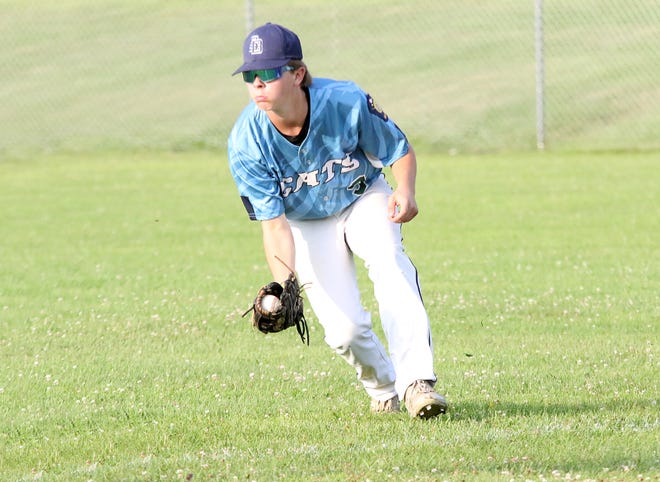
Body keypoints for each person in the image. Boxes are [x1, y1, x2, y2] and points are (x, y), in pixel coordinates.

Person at [227, 22, 447, 419]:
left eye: (268, 73)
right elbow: (273, 224)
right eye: (249, 75)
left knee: (389, 264)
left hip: (363, 197)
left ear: (296, 73)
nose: (257, 84)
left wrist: (405, 189)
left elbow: (398, 148)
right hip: (306, 222)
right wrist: (283, 281)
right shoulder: (246, 141)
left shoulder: (344, 100)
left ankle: (416, 382)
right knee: (343, 331)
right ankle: (383, 386)